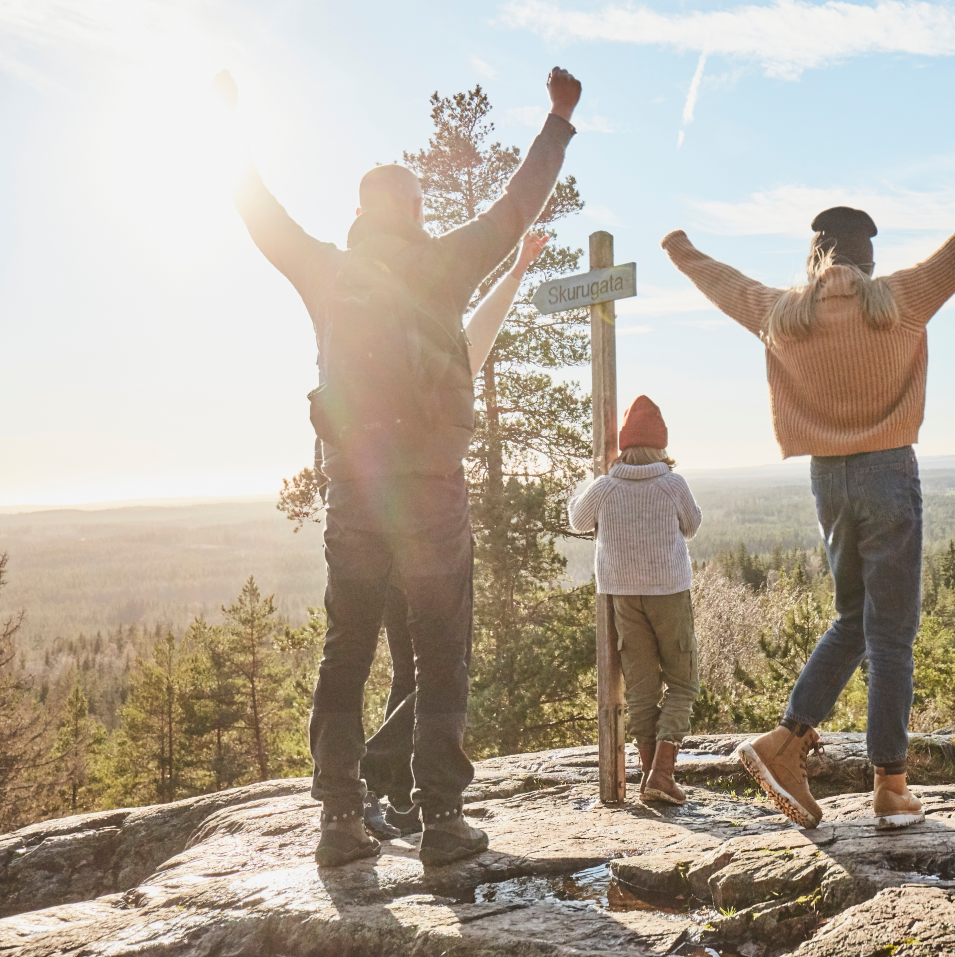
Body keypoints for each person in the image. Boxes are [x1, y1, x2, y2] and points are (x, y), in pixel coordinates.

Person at [220, 65, 582, 870]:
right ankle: (442, 819)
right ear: (416, 213)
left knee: (345, 648)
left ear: (357, 215)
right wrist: (558, 120)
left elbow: (260, 213)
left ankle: (341, 816)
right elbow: (517, 204)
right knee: (441, 644)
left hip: (355, 492)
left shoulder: (325, 269)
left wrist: (227, 125)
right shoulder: (444, 263)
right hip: (431, 493)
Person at [661, 175, 955, 829]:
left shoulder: (784, 315)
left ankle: (786, 740)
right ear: (868, 259)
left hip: (828, 481)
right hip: (889, 473)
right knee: (891, 635)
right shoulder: (900, 301)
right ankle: (890, 785)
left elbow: (723, 284)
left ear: (815, 258)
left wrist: (681, 247)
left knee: (853, 619)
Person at [361, 229, 550, 836]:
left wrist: (518, 267)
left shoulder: (370, 359)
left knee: (411, 671)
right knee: (441, 666)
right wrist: (517, 269)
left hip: (374, 536)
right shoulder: (442, 361)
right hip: (429, 537)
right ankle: (376, 775)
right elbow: (481, 330)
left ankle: (399, 800)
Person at [567, 396, 703, 805]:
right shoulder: (672, 483)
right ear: (661, 445)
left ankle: (650, 777)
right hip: (670, 593)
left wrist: (589, 481)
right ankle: (661, 774)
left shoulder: (606, 487)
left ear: (623, 447)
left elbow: (577, 521)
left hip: (623, 596)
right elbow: (692, 526)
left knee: (642, 688)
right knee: (683, 683)